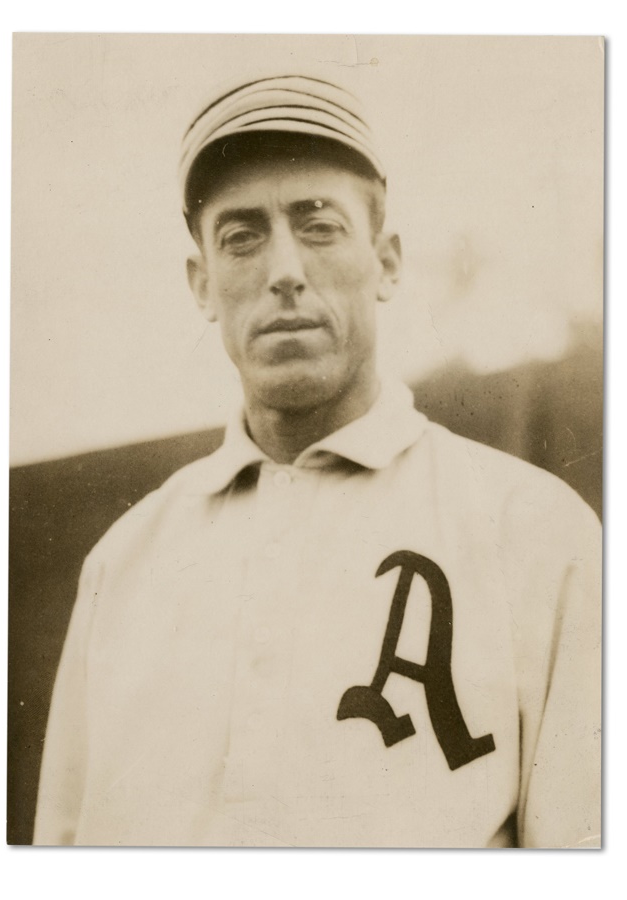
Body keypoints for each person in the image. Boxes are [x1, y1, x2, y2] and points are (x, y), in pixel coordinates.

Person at [33, 74, 601, 849]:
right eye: (241, 236)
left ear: (389, 262)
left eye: (320, 225)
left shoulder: (535, 532)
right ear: (202, 285)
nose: (284, 270)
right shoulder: (123, 565)